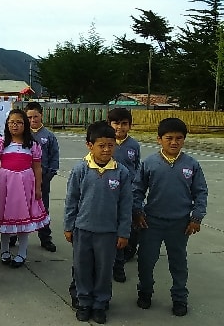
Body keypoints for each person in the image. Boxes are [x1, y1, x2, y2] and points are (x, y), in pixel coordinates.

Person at [133, 118, 208, 317]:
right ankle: (145, 293)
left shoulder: (191, 164)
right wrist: (138, 212)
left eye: (179, 138)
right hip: (151, 223)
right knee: (146, 260)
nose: (174, 142)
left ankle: (180, 298)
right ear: (159, 139)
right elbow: (137, 191)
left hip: (180, 224)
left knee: (178, 262)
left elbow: (201, 192)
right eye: (169, 138)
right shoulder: (149, 163)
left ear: (184, 140)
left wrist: (197, 217)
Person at [64, 121, 132, 324]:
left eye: (110, 145)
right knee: (82, 268)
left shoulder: (122, 173)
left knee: (104, 270)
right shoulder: (80, 170)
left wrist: (123, 232)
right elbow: (71, 200)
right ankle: (84, 302)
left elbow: (126, 206)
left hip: (108, 232)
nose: (106, 149)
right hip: (82, 230)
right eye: (101, 145)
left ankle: (100, 303)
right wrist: (69, 226)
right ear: (89, 145)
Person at [0, 108, 49, 268]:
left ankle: (22, 252)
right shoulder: (1, 142)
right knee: (5, 218)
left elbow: (37, 167)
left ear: (25, 124)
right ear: (7, 124)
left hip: (25, 185)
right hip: (5, 186)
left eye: (19, 122)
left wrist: (38, 187)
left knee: (24, 220)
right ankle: (5, 250)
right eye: (12, 122)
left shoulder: (33, 145)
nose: (15, 126)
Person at [107, 107, 141, 282]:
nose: (119, 127)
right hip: (108, 194)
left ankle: (119, 265)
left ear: (130, 125)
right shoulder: (106, 143)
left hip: (128, 194)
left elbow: (137, 169)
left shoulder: (134, 145)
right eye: (116, 123)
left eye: (124, 124)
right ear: (109, 124)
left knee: (126, 227)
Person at [25, 101, 59, 252]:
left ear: (41, 116)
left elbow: (54, 157)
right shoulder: (22, 134)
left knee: (43, 208)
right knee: (19, 208)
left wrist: (48, 176)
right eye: (29, 117)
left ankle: (45, 238)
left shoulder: (49, 136)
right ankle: (12, 236)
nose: (33, 120)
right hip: (23, 180)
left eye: (35, 117)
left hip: (43, 179)